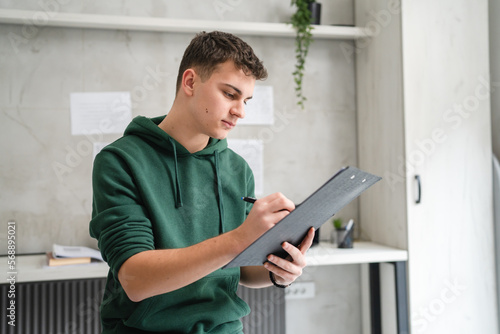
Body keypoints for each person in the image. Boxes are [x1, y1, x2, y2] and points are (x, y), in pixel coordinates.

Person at [89, 30, 315, 334]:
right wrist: (239, 238)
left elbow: (241, 268)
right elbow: (135, 280)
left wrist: (278, 271)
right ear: (191, 82)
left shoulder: (237, 169)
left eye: (246, 99)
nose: (241, 111)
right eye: (230, 94)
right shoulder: (119, 161)